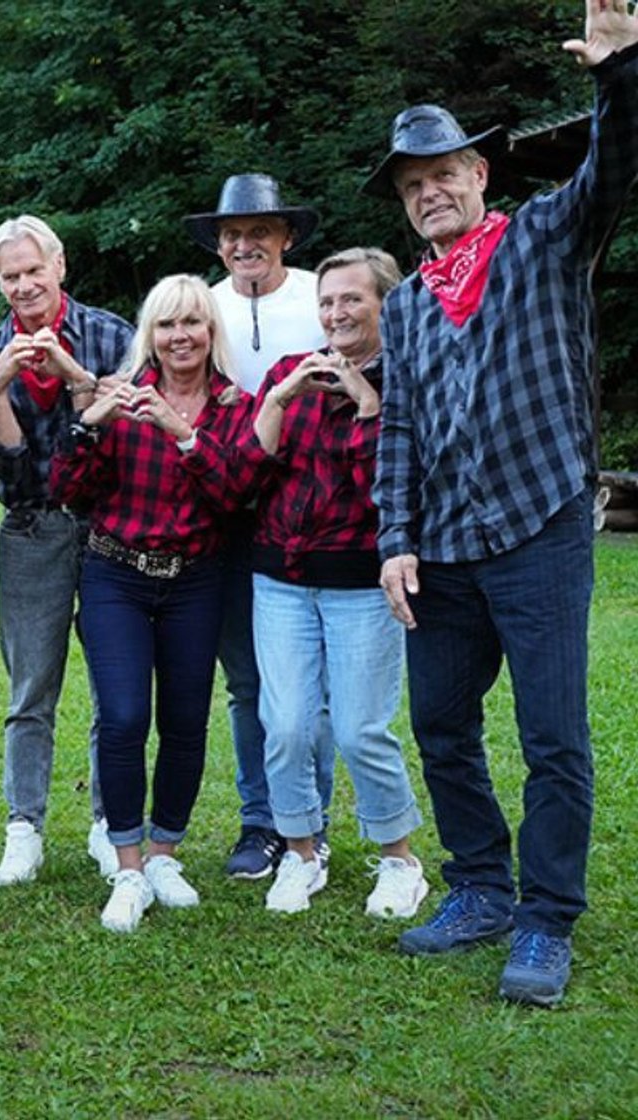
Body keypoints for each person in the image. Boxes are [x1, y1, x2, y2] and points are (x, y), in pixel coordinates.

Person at [365, 1, 637, 1007]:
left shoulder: (545, 239)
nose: (430, 192)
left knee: (554, 732)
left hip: (541, 525)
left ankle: (546, 919)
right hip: (441, 545)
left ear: (481, 174)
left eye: (445, 173)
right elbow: (397, 429)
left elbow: (615, 167)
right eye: (412, 184)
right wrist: (394, 537)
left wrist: (620, 74)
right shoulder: (406, 303)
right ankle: (480, 886)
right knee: (439, 721)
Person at [51, 275, 255, 933]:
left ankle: (166, 849)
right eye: (167, 325)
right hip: (117, 573)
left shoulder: (235, 406)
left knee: (187, 719)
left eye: (193, 322)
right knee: (124, 715)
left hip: (196, 577)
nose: (180, 336)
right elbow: (67, 489)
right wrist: (88, 425)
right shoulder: (121, 396)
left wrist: (184, 435)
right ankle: (129, 863)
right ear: (151, 335)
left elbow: (235, 495)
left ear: (210, 331)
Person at [246, 248, 428, 918]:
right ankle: (301, 851)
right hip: (281, 580)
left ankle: (399, 860)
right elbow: (244, 476)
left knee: (360, 729)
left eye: (352, 299)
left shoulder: (407, 381)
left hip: (361, 584)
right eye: (327, 302)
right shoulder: (289, 375)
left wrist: (367, 405)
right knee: (287, 724)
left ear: (385, 304)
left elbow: (391, 494)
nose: (337, 313)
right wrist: (280, 399)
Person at [0, 215, 133, 886]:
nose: (24, 284)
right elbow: (1, 466)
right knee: (30, 685)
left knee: (111, 689)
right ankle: (24, 826)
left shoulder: (110, 335)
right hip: (31, 525)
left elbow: (121, 437)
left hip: (107, 528)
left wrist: (72, 375)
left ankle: (106, 821)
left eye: (35, 270)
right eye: (11, 276)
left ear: (60, 265)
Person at [185, 174, 334, 882]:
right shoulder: (202, 308)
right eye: (232, 235)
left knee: (310, 686)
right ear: (219, 243)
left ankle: (313, 820)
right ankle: (261, 821)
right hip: (221, 510)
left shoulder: (317, 297)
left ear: (286, 237)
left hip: (309, 509)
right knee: (248, 682)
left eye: (259, 232)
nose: (245, 245)